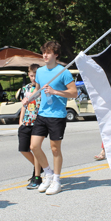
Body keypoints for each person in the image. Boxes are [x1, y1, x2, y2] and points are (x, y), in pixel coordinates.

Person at [22, 41, 77, 195]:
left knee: (55, 149)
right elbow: (38, 90)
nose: (45, 55)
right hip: (42, 114)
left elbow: (74, 93)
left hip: (57, 116)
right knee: (34, 146)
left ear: (56, 54)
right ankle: (48, 174)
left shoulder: (63, 72)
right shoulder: (39, 71)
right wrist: (29, 98)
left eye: (49, 52)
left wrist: (55, 92)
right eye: (44, 52)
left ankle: (57, 181)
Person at [19, 64, 43, 189]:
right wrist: (20, 121)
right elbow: (24, 105)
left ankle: (37, 176)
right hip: (26, 122)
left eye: (35, 76)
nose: (33, 78)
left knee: (35, 148)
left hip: (38, 122)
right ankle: (40, 166)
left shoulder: (42, 88)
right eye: (31, 75)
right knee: (23, 149)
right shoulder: (26, 88)